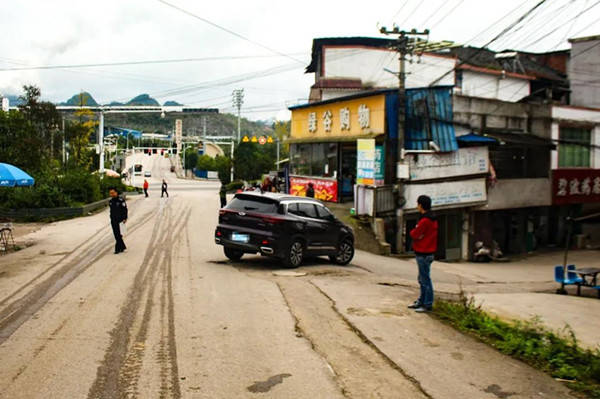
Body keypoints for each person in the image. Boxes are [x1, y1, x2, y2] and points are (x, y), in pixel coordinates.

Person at [408, 195, 438, 313]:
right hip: (428, 252)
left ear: (421, 205)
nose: (417, 206)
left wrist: (415, 232)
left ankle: (427, 304)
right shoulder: (432, 219)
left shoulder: (425, 220)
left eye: (418, 204)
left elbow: (415, 234)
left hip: (423, 252)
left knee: (425, 279)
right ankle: (422, 301)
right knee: (422, 278)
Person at [108, 188, 128, 254]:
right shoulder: (110, 201)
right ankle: (122, 247)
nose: (112, 194)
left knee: (119, 235)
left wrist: (125, 218)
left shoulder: (121, 200)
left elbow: (125, 209)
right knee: (116, 234)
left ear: (116, 193)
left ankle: (117, 249)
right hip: (113, 220)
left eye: (113, 193)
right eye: (111, 193)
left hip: (120, 220)